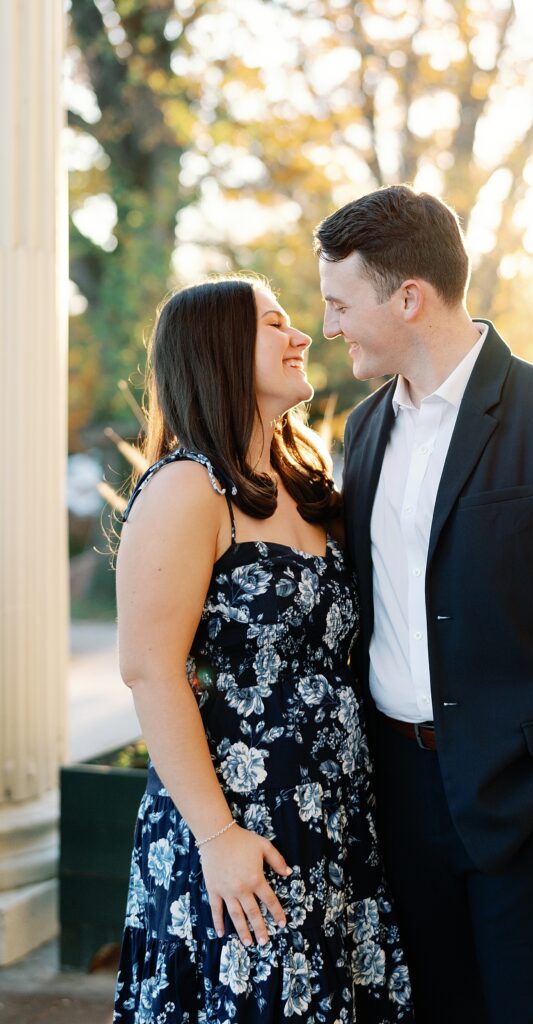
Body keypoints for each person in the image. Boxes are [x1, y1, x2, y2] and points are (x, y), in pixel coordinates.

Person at [315, 185, 533, 1024]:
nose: (328, 327)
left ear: (408, 297)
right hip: (401, 796)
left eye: (340, 304)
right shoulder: (365, 430)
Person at [112, 274, 414, 1024]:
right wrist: (218, 838)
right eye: (275, 323)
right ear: (217, 350)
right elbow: (150, 670)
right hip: (239, 831)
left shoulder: (304, 483)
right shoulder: (187, 488)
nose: (302, 335)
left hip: (335, 825)